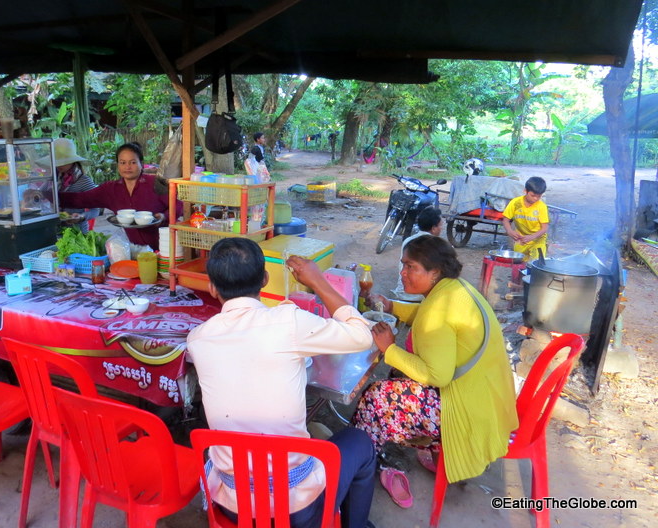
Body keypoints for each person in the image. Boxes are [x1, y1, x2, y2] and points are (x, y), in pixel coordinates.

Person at [187, 238, 377, 528]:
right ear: (264, 279)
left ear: (212, 287)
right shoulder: (288, 322)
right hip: (295, 512)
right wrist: (317, 281)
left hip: (233, 507)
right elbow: (363, 336)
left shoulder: (198, 338)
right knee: (360, 443)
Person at [354, 235, 517, 507]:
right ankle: (375, 451)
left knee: (375, 397)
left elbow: (436, 376)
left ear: (435, 272)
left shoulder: (439, 307)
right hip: (488, 399)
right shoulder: (455, 288)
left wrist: (389, 349)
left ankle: (362, 461)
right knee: (396, 379)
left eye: (411, 267)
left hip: (465, 412)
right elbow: (427, 315)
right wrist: (393, 306)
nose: (403, 273)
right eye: (403, 265)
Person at [58, 142, 179, 251]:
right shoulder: (111, 189)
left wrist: (164, 216)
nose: (127, 167)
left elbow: (179, 204)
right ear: (118, 165)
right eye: (123, 162)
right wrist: (49, 197)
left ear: (141, 164)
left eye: (132, 162)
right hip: (136, 251)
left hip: (167, 248)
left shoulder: (155, 183)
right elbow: (81, 199)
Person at [39, 138, 99, 234]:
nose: (59, 165)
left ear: (73, 161)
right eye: (57, 161)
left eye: (64, 161)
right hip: (55, 231)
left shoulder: (84, 181)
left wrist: (81, 217)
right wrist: (32, 195)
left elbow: (96, 210)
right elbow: (39, 194)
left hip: (77, 233)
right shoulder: (53, 179)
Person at [391, 206, 443, 302]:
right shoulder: (438, 245)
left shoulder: (408, 240)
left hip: (402, 293)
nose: (441, 228)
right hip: (421, 297)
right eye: (440, 225)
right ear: (433, 228)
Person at [502, 176, 550, 262]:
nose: (535, 199)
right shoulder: (515, 203)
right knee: (519, 264)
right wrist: (509, 231)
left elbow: (545, 228)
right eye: (533, 195)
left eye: (539, 196)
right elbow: (506, 219)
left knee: (535, 265)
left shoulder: (541, 206)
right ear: (525, 191)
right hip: (521, 240)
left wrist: (532, 236)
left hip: (538, 240)